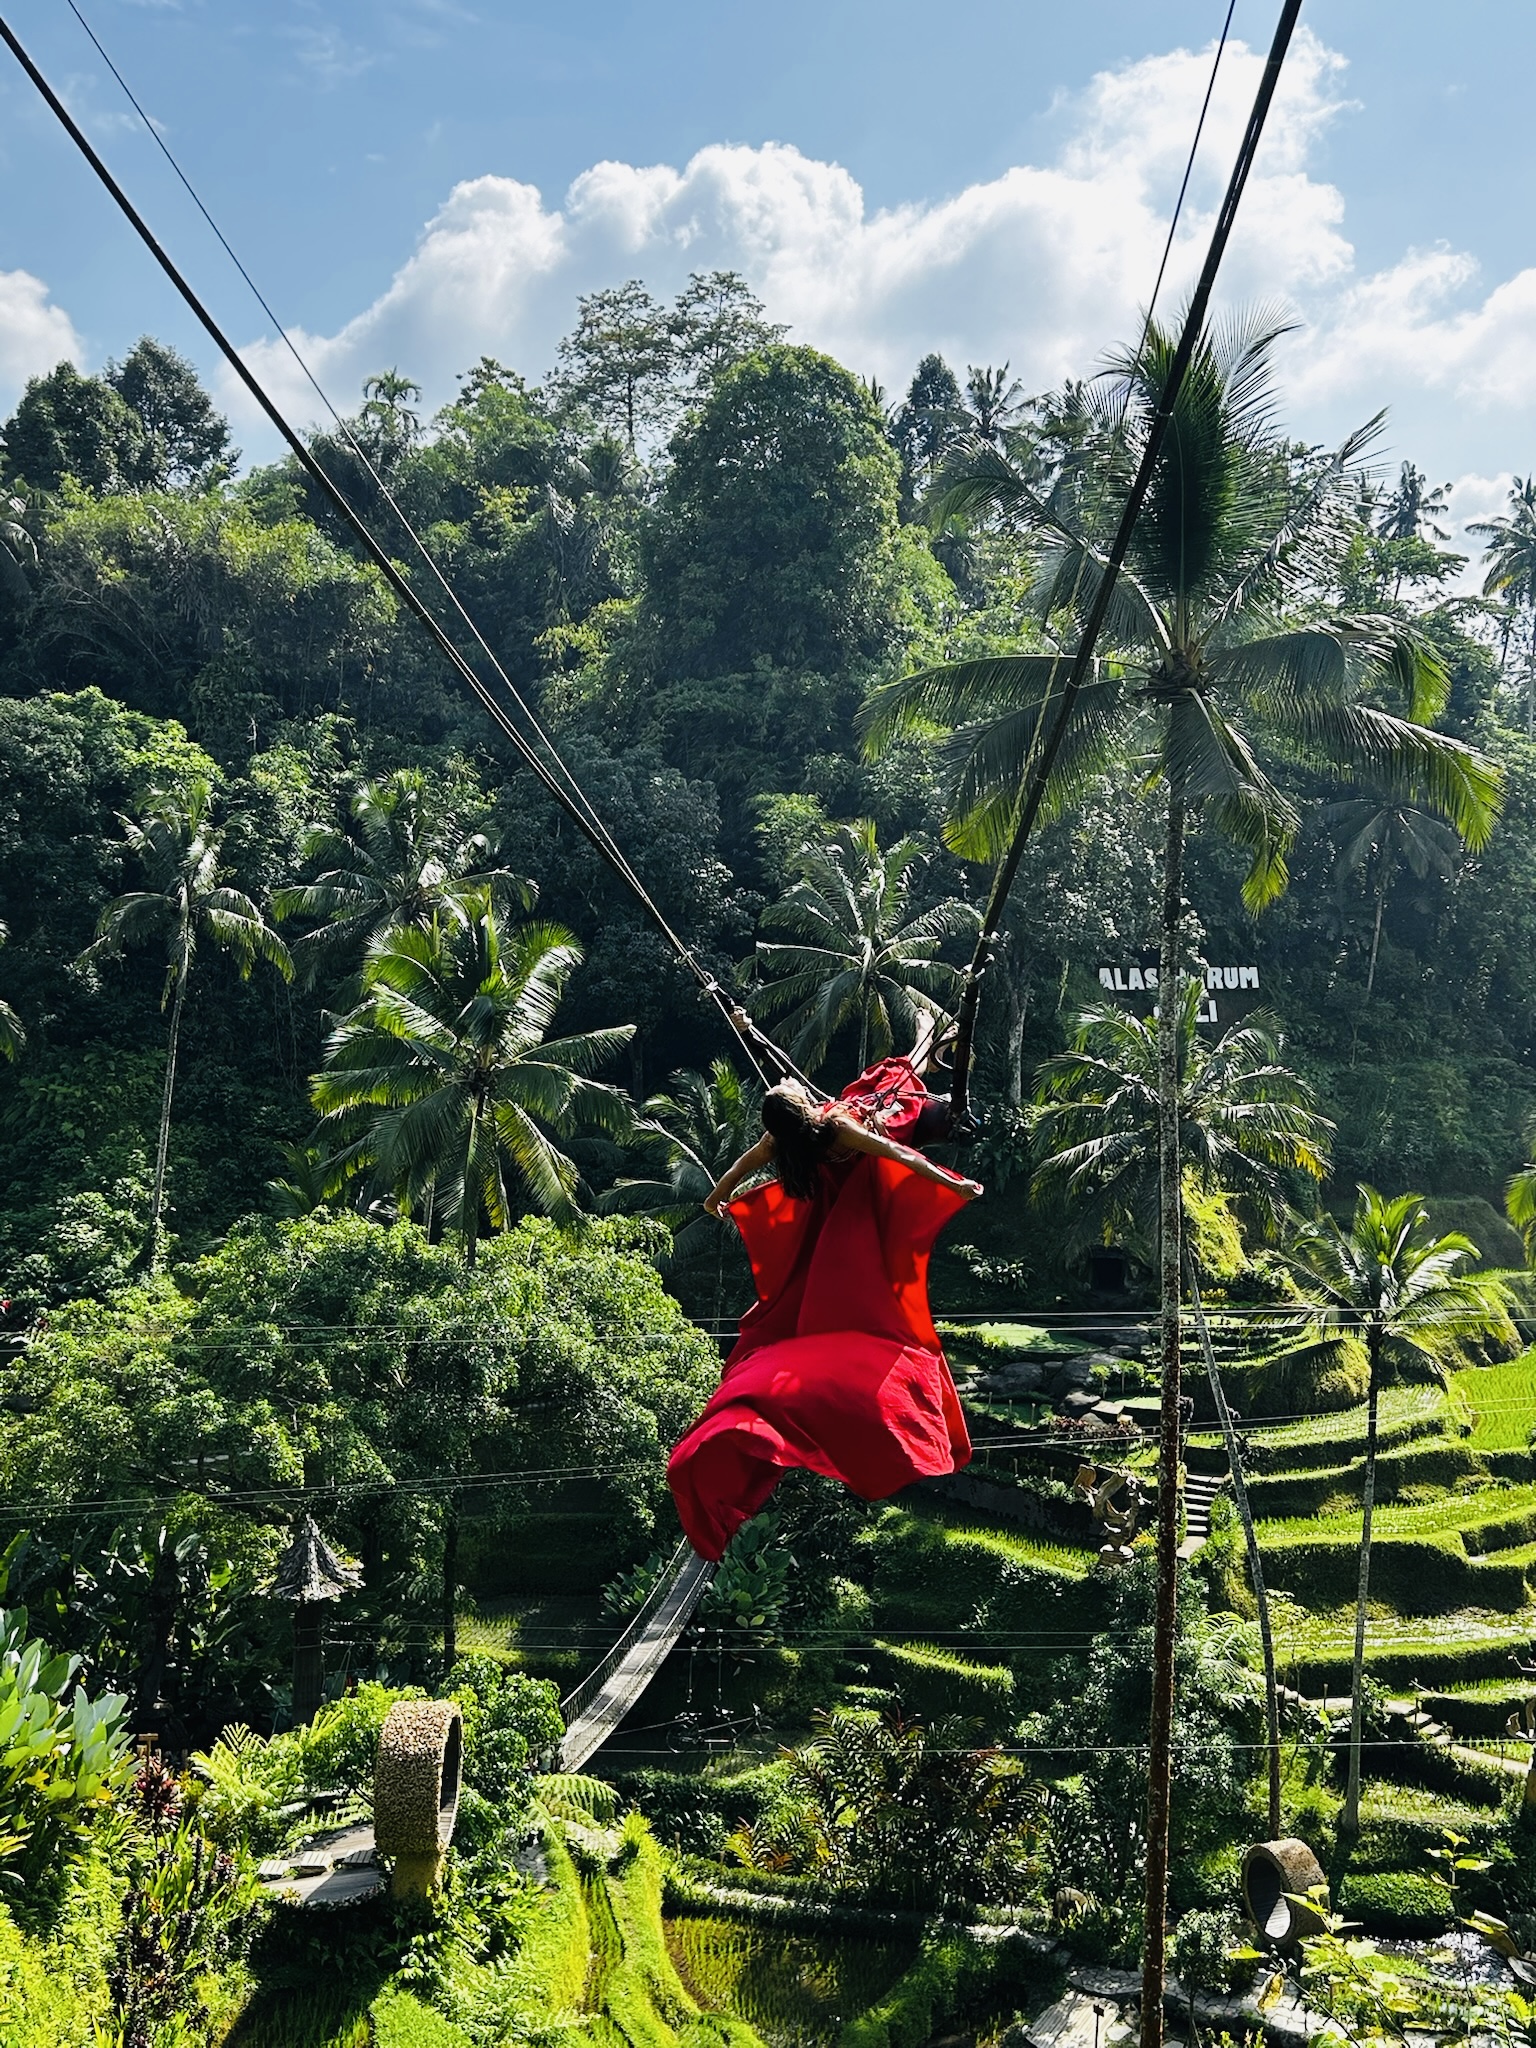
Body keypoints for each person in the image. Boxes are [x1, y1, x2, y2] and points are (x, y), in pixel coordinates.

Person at [666, 1013, 983, 1561]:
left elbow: (742, 1166)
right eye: (790, 1087)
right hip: (866, 1168)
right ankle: (932, 1029)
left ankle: (934, 1033)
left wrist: (716, 1198)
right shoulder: (835, 1127)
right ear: (803, 1107)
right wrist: (953, 1183)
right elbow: (899, 1154)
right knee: (900, 1078)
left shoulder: (782, 1140)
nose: (791, 1082)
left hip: (834, 1189)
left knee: (885, 1078)